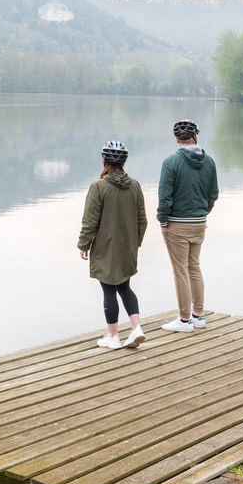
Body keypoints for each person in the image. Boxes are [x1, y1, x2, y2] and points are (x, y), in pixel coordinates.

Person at [77, 140, 148, 349]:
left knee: (108, 290)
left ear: (104, 160)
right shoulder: (134, 185)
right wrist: (136, 243)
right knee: (125, 287)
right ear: (124, 162)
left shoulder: (98, 187)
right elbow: (142, 220)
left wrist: (83, 244)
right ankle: (137, 329)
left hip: (105, 247)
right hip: (128, 246)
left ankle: (113, 337)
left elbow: (90, 220)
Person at [156, 119, 218, 332]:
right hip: (199, 223)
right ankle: (198, 316)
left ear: (176, 139)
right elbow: (213, 195)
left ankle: (184, 320)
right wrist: (203, 213)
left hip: (177, 224)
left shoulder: (170, 162)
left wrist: (163, 221)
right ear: (196, 136)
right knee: (194, 267)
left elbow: (164, 198)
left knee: (180, 271)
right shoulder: (209, 162)